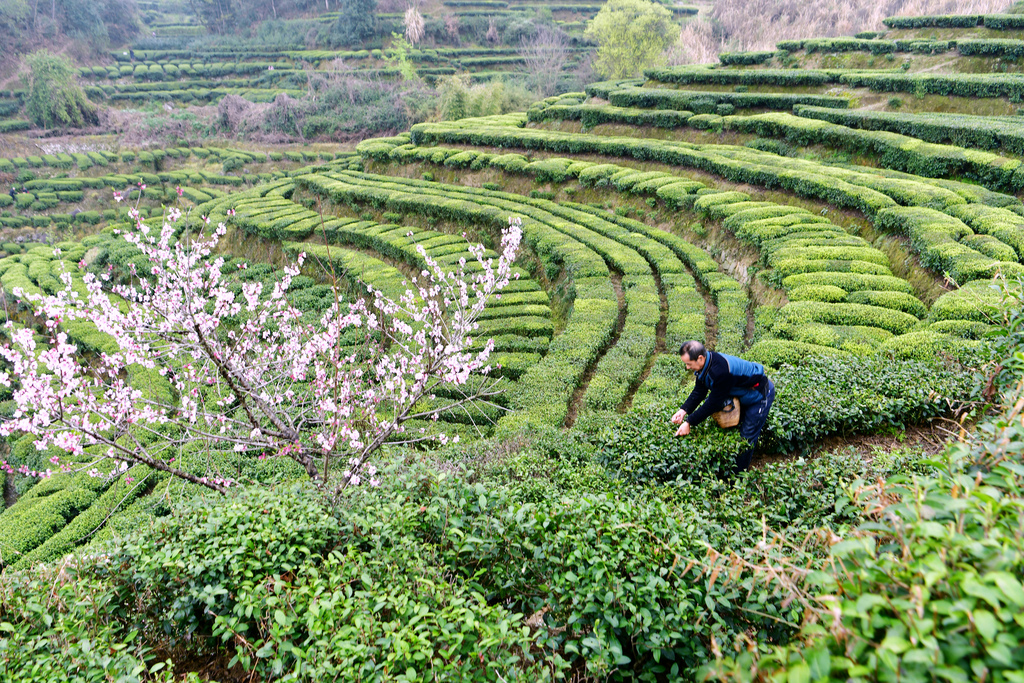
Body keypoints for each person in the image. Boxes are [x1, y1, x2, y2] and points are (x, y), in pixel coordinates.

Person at [670, 340, 775, 474]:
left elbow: (713, 403)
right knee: (737, 428)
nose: (687, 368)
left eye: (689, 364)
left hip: (760, 395)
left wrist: (689, 422)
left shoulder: (720, 371)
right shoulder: (706, 364)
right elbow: (699, 390)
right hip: (743, 393)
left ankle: (738, 478)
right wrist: (683, 410)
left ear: (700, 358)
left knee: (747, 436)